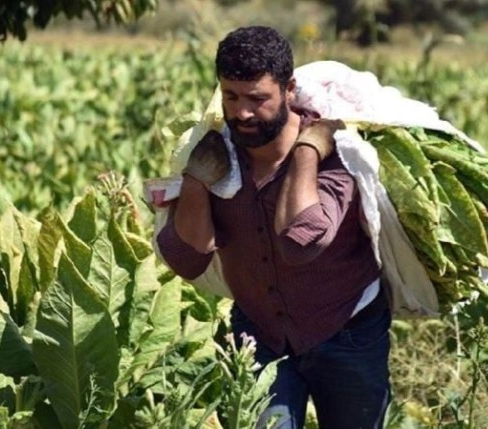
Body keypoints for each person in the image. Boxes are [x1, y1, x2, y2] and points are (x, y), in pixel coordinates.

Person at [156, 25, 391, 429]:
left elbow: (300, 241)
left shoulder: (337, 154)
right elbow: (187, 259)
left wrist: (305, 151)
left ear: (288, 90)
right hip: (258, 334)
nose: (242, 113)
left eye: (257, 99)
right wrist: (196, 182)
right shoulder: (217, 152)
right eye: (230, 96)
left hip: (347, 332)